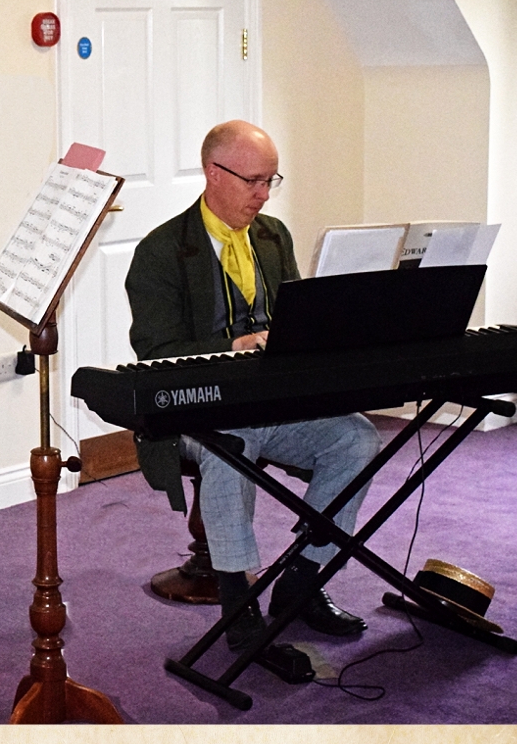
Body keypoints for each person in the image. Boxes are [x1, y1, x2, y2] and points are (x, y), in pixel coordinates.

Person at [124, 120, 380, 665]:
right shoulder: (161, 251)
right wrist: (231, 344)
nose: (264, 195)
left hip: (271, 402)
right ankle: (241, 615)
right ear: (213, 174)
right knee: (232, 442)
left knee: (356, 438)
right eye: (253, 181)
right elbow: (154, 353)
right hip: (194, 413)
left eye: (271, 181)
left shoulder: (273, 235)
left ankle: (301, 582)